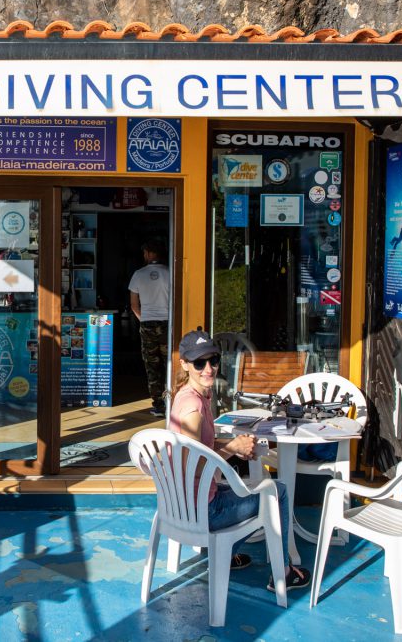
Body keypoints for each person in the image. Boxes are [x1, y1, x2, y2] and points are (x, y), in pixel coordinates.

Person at [168, 328, 312, 591]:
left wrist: (236, 447)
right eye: (199, 363)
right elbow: (195, 463)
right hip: (204, 511)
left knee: (242, 487)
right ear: (184, 364)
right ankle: (284, 572)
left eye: (213, 360)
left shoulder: (185, 396)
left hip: (183, 504)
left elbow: (201, 447)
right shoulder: (194, 407)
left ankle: (226, 554)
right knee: (277, 492)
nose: (208, 368)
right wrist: (233, 446)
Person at [129, 240, 170, 416]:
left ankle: (159, 406)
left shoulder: (138, 274)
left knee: (152, 366)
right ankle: (174, 403)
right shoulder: (170, 272)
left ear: (147, 253)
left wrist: (144, 320)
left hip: (148, 325)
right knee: (171, 363)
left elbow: (133, 305)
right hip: (168, 323)